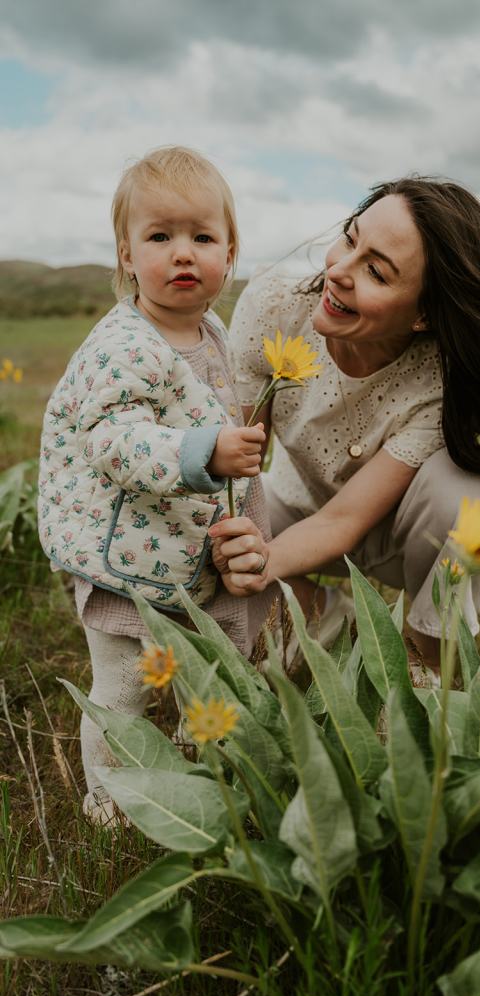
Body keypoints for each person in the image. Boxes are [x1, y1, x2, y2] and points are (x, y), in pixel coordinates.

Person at [209, 176, 480, 681]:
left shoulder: (439, 380)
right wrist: (248, 557)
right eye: (350, 236)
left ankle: (426, 665)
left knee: (476, 499)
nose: (339, 271)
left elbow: (344, 522)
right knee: (215, 551)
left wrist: (261, 564)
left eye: (377, 273)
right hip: (292, 510)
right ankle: (335, 619)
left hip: (394, 532)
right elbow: (238, 466)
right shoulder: (276, 307)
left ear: (423, 315)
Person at [38, 146, 270, 824]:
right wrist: (203, 452)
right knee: (122, 685)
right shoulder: (123, 345)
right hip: (120, 558)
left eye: (202, 237)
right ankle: (110, 801)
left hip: (170, 542)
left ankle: (191, 764)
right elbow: (114, 439)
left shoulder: (211, 331)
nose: (183, 254)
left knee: (204, 662)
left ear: (229, 253)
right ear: (126, 255)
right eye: (160, 236)